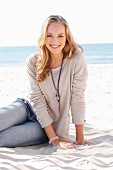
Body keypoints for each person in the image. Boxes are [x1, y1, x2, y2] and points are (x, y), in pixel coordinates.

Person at [0, 15, 92, 149]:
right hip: (26, 108)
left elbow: (78, 97)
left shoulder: (76, 59)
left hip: (46, 127)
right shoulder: (33, 61)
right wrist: (55, 140)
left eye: (60, 35)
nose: (55, 40)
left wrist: (79, 138)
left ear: (67, 37)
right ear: (44, 37)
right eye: (50, 35)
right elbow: (36, 99)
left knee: (4, 138)